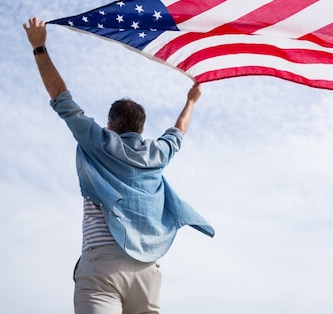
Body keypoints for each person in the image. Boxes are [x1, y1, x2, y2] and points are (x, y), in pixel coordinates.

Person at [23, 17, 214, 314]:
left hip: (103, 265)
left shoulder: (98, 141)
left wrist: (39, 47)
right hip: (148, 270)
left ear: (111, 124)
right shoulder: (157, 155)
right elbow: (179, 131)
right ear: (141, 128)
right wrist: (191, 100)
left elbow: (61, 98)